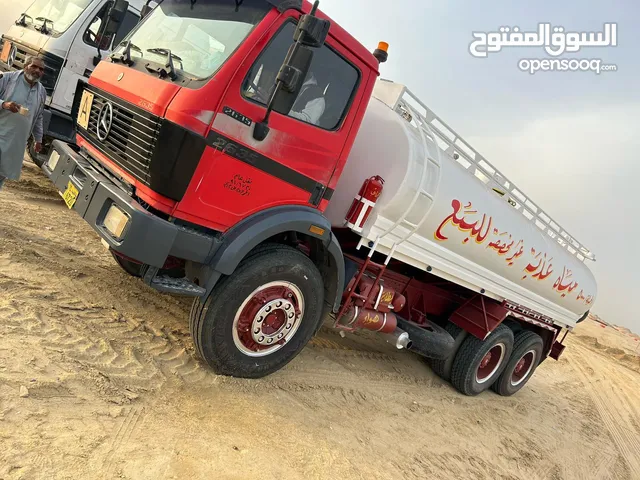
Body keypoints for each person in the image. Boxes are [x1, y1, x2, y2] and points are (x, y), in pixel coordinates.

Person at [0, 55, 46, 191]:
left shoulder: (41, 92)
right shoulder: (7, 79)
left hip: (15, 143)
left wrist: (38, 139)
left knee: (2, 175)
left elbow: (38, 117)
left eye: (41, 69)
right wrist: (4, 105)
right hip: (1, 135)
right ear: (26, 67)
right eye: (34, 66)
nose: (37, 71)